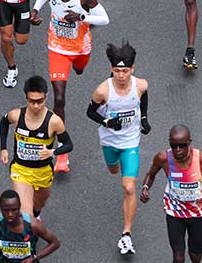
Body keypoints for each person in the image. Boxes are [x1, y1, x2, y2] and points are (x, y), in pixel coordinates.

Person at [30, 0, 109, 171]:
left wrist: (82, 16)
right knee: (58, 97)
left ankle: (78, 67)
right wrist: (36, 11)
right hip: (57, 48)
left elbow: (105, 19)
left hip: (80, 49)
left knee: (80, 69)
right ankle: (62, 153)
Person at [87, 42, 150, 255]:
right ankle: (114, 165)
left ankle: (126, 235)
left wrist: (144, 118)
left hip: (131, 142)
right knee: (113, 169)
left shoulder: (140, 85)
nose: (121, 75)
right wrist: (106, 122)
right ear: (111, 69)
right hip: (109, 141)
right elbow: (90, 112)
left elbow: (145, 97)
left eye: (125, 71)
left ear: (132, 69)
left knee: (129, 187)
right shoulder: (103, 90)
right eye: (117, 71)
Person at [140, 125, 202, 263]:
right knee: (178, 256)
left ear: (189, 143)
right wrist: (145, 187)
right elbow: (150, 174)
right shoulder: (162, 158)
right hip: (174, 212)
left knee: (195, 257)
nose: (177, 150)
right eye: (173, 145)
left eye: (181, 145)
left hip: (196, 213)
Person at [0, 75, 73, 215]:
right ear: (26, 98)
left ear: (46, 97)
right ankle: (30, 228)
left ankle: (36, 216)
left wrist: (53, 152)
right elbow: (3, 123)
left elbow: (69, 145)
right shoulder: (16, 115)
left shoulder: (54, 122)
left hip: (43, 172)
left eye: (40, 101)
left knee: (40, 203)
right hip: (20, 169)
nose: (36, 106)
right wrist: (3, 148)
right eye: (31, 102)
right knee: (26, 215)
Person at [0, 189, 62, 262]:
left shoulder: (34, 225)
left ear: (19, 206)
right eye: (6, 210)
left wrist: (34, 258)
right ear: (0, 207)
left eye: (14, 210)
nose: (10, 214)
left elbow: (55, 243)